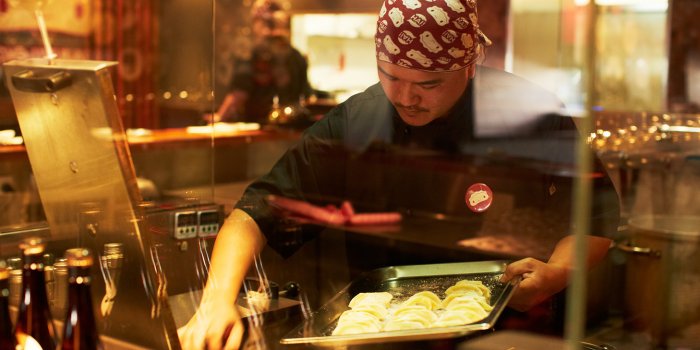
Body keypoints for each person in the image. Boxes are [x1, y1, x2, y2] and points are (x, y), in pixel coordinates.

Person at [178, 0, 619, 348]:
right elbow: (255, 212)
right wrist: (215, 303)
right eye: (390, 75)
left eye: (428, 84)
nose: (406, 97)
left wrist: (558, 272)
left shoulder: (528, 114)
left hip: (509, 336)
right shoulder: (355, 122)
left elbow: (597, 217)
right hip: (379, 337)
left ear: (468, 65)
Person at [214, 0, 313, 124]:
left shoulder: (251, 53)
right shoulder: (297, 56)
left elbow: (239, 94)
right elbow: (307, 96)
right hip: (291, 129)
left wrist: (220, 118)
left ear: (257, 21)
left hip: (259, 130)